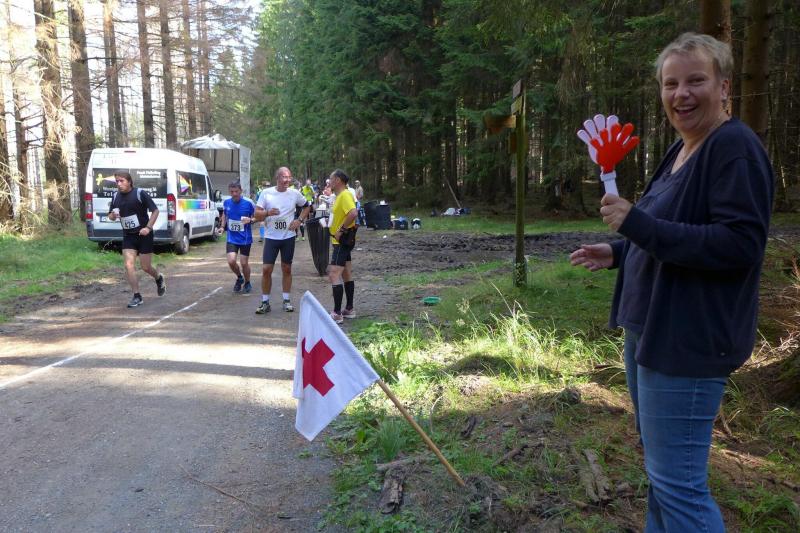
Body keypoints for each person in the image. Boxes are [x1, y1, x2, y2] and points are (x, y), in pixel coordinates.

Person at [569, 33, 773, 532]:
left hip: (688, 340)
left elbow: (739, 244)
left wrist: (637, 225)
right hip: (651, 331)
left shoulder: (734, 149)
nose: (681, 94)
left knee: (679, 487)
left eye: (695, 81)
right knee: (663, 479)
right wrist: (619, 252)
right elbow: (670, 229)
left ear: (724, 87)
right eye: (671, 84)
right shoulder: (683, 148)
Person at [252, 167, 312, 314]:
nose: (287, 180)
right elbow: (257, 214)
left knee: (287, 268)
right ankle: (265, 302)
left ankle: (286, 300)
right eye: (284, 177)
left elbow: (307, 207)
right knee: (266, 269)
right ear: (277, 178)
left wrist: (299, 220)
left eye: (289, 177)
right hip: (271, 238)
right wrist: (267, 213)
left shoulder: (294, 193)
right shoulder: (266, 193)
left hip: (288, 237)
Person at [107, 170, 166, 308]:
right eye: (117, 181)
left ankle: (158, 277)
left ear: (129, 182)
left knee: (145, 267)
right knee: (128, 265)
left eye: (122, 181)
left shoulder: (139, 193)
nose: (119, 184)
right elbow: (110, 215)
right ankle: (137, 296)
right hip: (128, 236)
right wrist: (112, 216)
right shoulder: (115, 196)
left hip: (144, 235)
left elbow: (155, 211)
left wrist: (148, 228)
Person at [327, 169, 358, 324]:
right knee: (346, 273)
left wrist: (341, 230)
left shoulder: (345, 195)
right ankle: (349, 309)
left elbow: (353, 213)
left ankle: (337, 313)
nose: (329, 182)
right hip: (341, 241)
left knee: (334, 274)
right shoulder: (340, 196)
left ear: (338, 180)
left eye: (331, 179)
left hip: (342, 241)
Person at [218, 180, 255, 294]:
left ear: (241, 191)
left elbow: (257, 216)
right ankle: (239, 277)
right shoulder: (227, 202)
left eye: (236, 191)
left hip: (245, 238)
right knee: (231, 261)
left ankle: (247, 282)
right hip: (232, 238)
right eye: (232, 191)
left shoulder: (249, 203)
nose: (234, 194)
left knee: (244, 263)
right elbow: (225, 215)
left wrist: (251, 220)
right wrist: (222, 227)